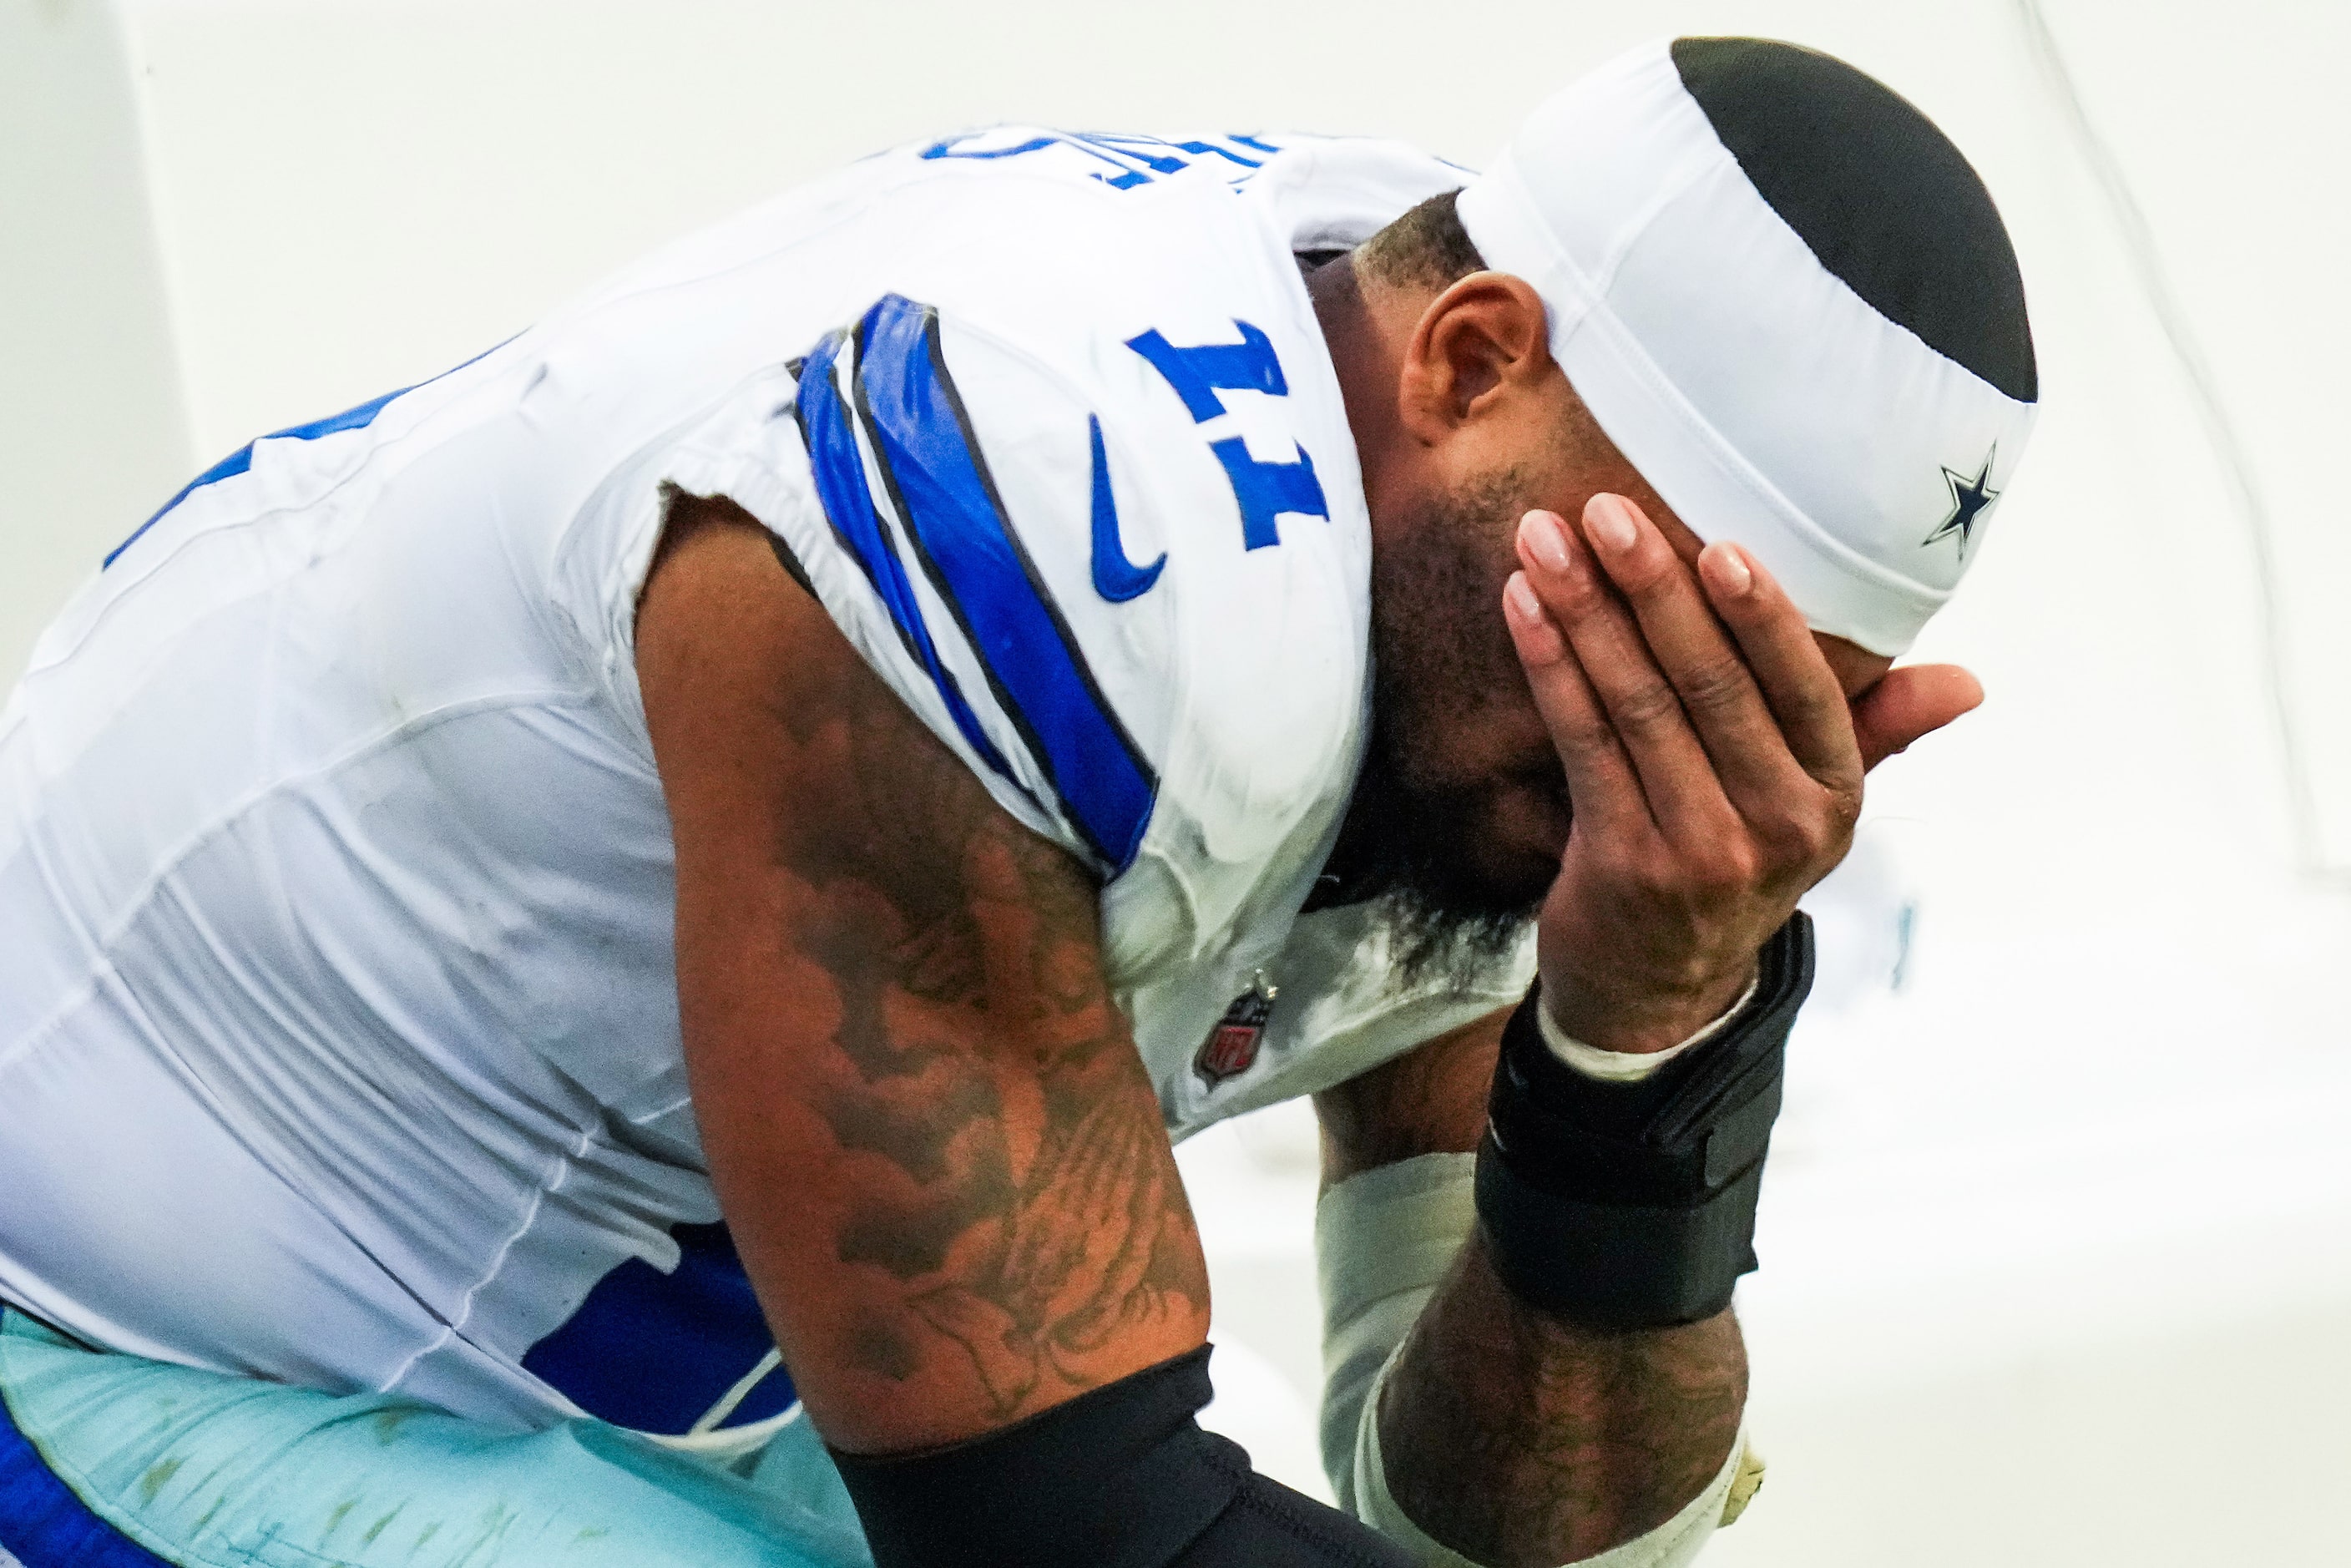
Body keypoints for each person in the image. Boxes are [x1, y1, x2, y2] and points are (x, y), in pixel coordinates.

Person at [0, 34, 2035, 1568]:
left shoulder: (1487, 566)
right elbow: (1066, 1538)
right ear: (1470, 355)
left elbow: (1517, 1527)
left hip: (597, 1380)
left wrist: (1646, 1039)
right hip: (141, 1341)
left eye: (1778, 697)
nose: (1668, 743)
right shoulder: (1068, 514)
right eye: (1657, 637)